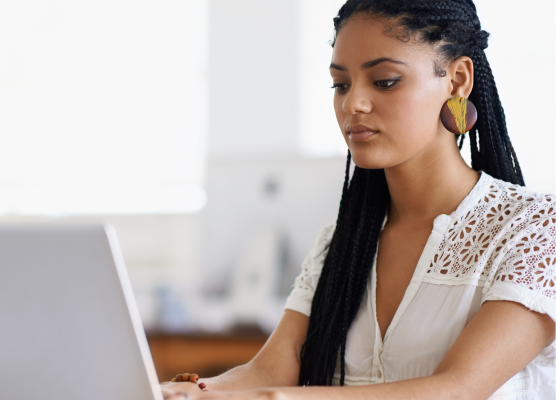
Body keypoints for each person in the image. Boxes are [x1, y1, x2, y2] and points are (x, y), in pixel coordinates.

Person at [161, 0, 555, 399]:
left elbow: (456, 389)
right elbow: (270, 369)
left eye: (384, 81)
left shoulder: (536, 230)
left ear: (456, 81)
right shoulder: (340, 242)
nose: (352, 104)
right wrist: (187, 392)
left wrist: (273, 399)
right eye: (341, 84)